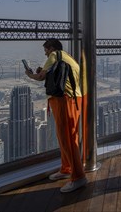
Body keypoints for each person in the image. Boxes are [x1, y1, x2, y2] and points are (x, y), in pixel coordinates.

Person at [25, 39, 87, 193]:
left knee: (68, 138)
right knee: (63, 136)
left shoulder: (54, 56)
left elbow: (40, 78)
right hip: (70, 99)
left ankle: (78, 177)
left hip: (65, 100)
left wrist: (30, 75)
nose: (46, 54)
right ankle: (66, 168)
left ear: (51, 48)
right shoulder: (68, 57)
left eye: (45, 50)